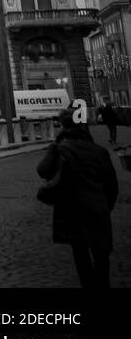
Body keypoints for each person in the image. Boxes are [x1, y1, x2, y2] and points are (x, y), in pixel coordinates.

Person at [36, 108, 118, 288]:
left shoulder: (61, 148)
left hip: (73, 212)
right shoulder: (100, 151)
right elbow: (112, 186)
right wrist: (105, 206)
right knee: (101, 257)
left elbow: (42, 170)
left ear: (63, 125)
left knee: (81, 255)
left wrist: (53, 146)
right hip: (99, 211)